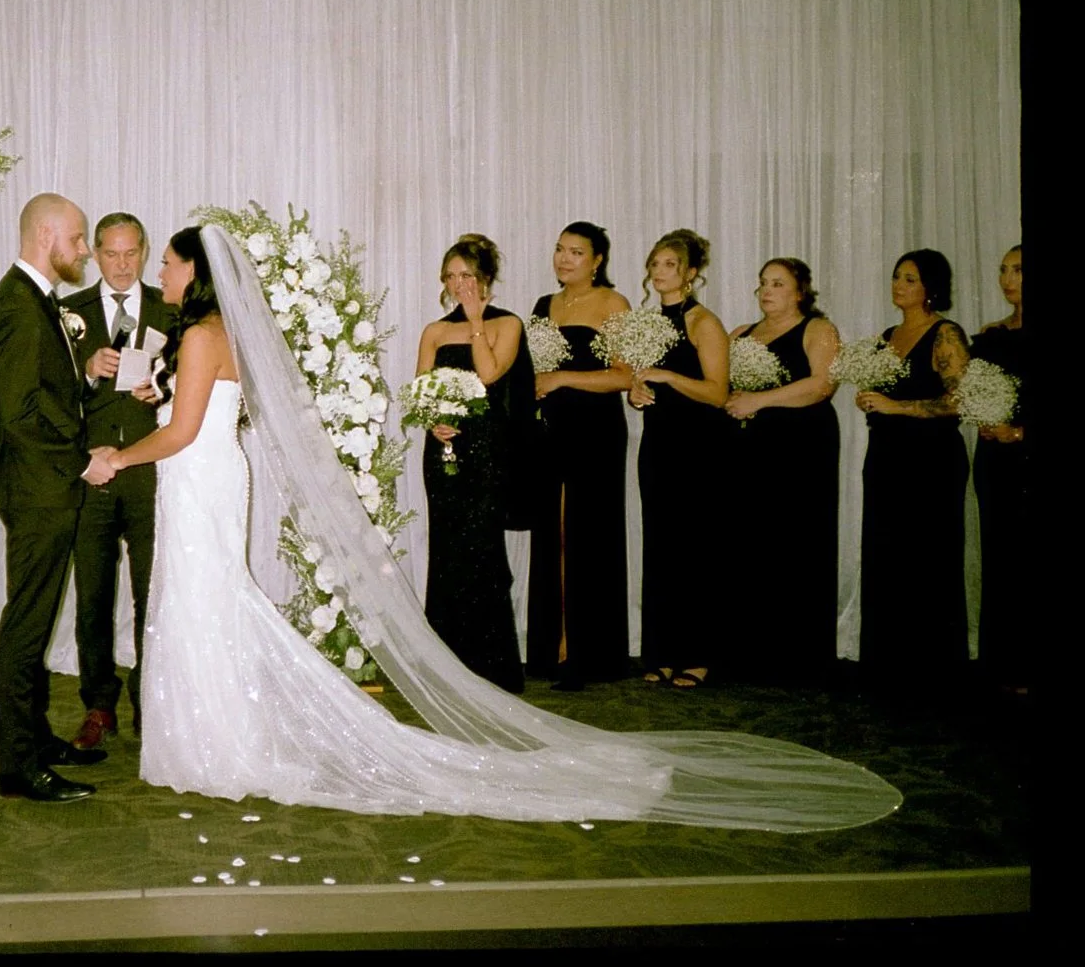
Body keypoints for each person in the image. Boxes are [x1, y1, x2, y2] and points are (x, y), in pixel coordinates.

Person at [99, 225, 897, 828]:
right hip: (332, 463)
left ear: (193, 271)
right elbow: (407, 386)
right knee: (222, 594)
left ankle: (461, 672)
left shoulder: (215, 333)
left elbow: (489, 373)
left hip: (408, 459)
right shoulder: (221, 336)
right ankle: (220, 727)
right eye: (448, 277)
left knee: (227, 594)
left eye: (167, 261)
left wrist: (117, 455)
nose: (163, 273)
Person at [0, 193, 115, 802]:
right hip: (38, 489)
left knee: (33, 622)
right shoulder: (16, 305)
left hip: (46, 487)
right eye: (80, 238)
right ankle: (18, 768)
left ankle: (35, 740)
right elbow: (22, 414)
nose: (84, 250)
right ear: (45, 235)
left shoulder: (37, 299)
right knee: (26, 628)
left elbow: (45, 390)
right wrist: (82, 459)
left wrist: (83, 378)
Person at [61, 212, 170, 748]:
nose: (122, 265)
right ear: (95, 254)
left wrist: (161, 394)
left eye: (131, 254)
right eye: (111, 254)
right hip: (93, 474)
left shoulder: (170, 308)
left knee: (154, 595)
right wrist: (85, 371)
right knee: (93, 598)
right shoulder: (69, 313)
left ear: (144, 251)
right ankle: (98, 706)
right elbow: (48, 398)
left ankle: (151, 701)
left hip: (151, 473)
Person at [413, 234, 530, 693]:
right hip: (442, 450)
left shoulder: (508, 324)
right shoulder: (435, 331)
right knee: (446, 549)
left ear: (485, 280)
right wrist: (432, 420)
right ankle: (446, 664)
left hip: (486, 451)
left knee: (481, 550)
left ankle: (491, 665)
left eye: (467, 276)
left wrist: (478, 319)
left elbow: (488, 374)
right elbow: (419, 388)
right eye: (452, 276)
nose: (459, 284)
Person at [853, 250, 970, 694]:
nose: (899, 285)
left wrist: (895, 406)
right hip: (887, 454)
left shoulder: (945, 333)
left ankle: (932, 672)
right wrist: (868, 397)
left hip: (931, 458)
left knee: (929, 556)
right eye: (896, 277)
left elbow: (958, 401)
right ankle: (890, 666)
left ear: (931, 288)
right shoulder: (888, 335)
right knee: (888, 552)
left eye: (910, 278)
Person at [722, 259, 842, 685]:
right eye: (762, 284)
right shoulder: (740, 334)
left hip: (802, 450)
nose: (766, 291)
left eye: (777, 283)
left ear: (799, 292)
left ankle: (798, 658)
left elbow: (822, 385)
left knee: (798, 542)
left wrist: (759, 400)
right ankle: (751, 653)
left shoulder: (817, 329)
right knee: (752, 543)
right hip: (750, 451)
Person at [526, 223, 631, 691]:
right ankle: (551, 649)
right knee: (552, 532)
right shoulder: (543, 307)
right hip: (550, 429)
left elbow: (624, 377)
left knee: (588, 533)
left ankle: (587, 654)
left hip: (595, 430)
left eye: (576, 252)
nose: (565, 259)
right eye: (559, 249)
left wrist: (561, 378)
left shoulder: (614, 304)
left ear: (597, 260)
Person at [630, 229, 730, 690]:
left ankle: (700, 654)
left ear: (690, 274)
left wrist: (667, 375)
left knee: (696, 547)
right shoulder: (648, 321)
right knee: (662, 545)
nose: (659, 271)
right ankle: (663, 652)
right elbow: (643, 383)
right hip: (660, 442)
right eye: (655, 263)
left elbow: (717, 392)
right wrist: (638, 390)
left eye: (670, 264)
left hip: (698, 446)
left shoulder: (702, 322)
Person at [969, 245, 1027, 695]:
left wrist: (1020, 433)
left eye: (1018, 270)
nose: (1008, 279)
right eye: (1003, 270)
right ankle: (1003, 664)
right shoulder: (991, 335)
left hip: (1025, 452)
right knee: (1001, 555)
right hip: (995, 459)